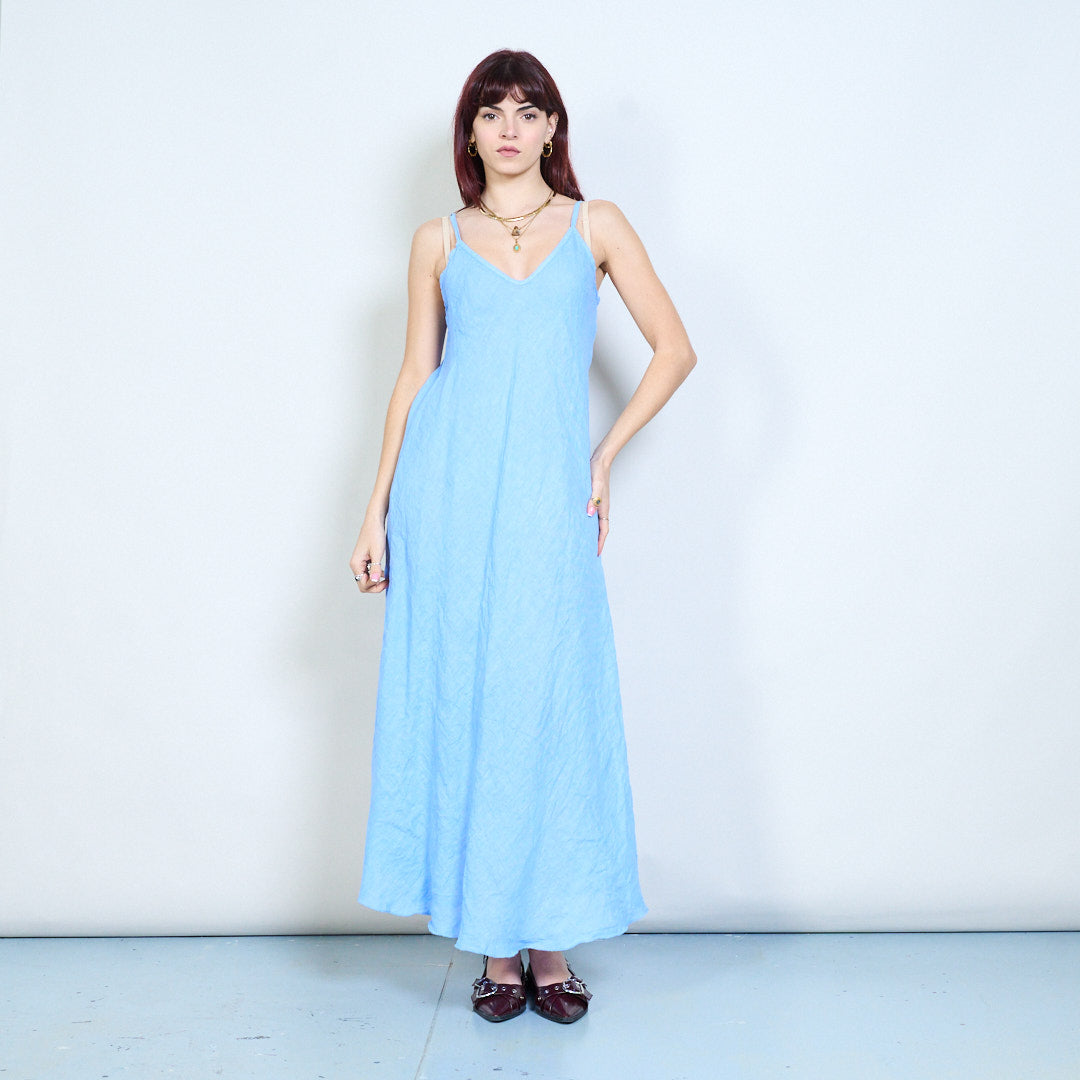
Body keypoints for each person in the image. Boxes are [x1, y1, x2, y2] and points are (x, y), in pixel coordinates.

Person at [349, 49, 696, 1024]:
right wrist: (376, 508)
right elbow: (415, 376)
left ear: (552, 128)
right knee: (471, 700)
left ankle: (551, 941)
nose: (509, 127)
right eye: (491, 111)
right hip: (447, 498)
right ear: (470, 131)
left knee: (545, 702)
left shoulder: (596, 225)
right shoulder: (436, 239)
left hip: (546, 499)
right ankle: (498, 951)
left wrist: (604, 455)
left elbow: (675, 351)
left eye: (528, 110)